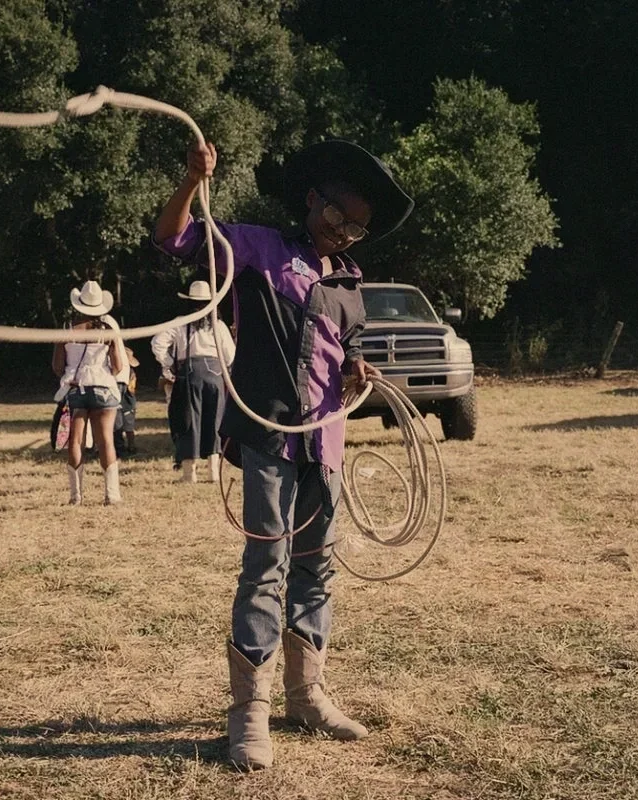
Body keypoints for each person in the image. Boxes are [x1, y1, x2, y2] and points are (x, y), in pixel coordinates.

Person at [153, 138, 409, 769]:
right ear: (311, 202)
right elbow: (174, 238)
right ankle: (249, 713)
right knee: (266, 563)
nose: (346, 233)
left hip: (325, 444)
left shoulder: (351, 284)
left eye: (358, 227)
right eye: (337, 217)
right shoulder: (261, 250)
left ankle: (306, 695)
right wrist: (191, 180)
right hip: (270, 436)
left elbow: (343, 346)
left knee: (317, 568)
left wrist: (356, 368)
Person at [150, 280, 235, 483]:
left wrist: (169, 362)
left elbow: (157, 343)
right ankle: (214, 473)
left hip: (189, 374)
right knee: (214, 420)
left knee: (188, 420)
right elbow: (230, 355)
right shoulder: (218, 324)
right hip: (214, 374)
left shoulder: (180, 322)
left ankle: (190, 474)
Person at [51, 280, 126, 506]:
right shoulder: (107, 331)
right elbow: (117, 366)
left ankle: (76, 496)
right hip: (103, 385)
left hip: (77, 387)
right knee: (106, 440)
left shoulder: (67, 329)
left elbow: (57, 365)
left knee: (76, 441)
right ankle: (111, 494)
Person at [114, 347, 140, 457]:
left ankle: (129, 446)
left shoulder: (129, 374)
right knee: (128, 426)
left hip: (127, 400)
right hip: (129, 401)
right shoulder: (131, 373)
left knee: (123, 425)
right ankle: (130, 446)